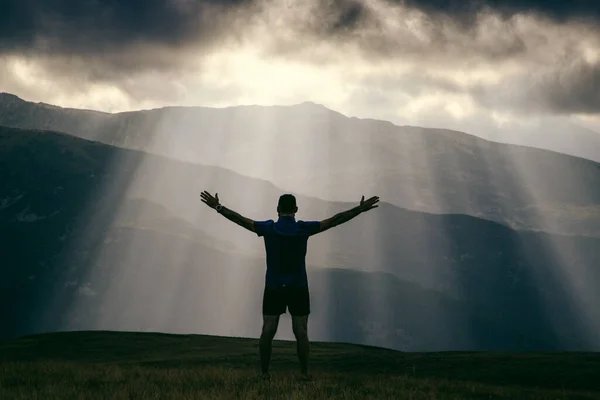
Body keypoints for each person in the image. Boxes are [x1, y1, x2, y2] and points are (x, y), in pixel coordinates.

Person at [200, 191, 379, 380]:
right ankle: (303, 373)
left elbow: (240, 220)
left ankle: (264, 374)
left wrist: (218, 207)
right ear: (296, 209)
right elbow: (335, 220)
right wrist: (359, 209)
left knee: (268, 329)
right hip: (298, 286)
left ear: (277, 209)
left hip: (274, 286)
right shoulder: (303, 229)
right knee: (301, 330)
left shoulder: (268, 228)